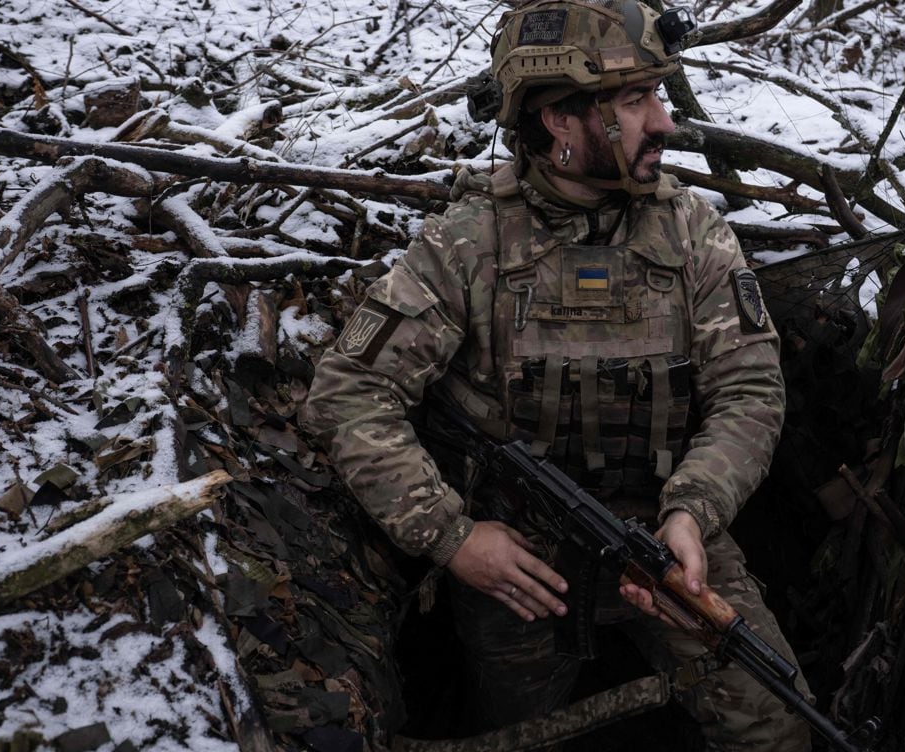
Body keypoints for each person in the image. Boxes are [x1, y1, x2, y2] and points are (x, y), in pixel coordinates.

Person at [301, 0, 812, 748]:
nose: (664, 123)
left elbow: (751, 391)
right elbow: (350, 393)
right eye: (634, 101)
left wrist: (693, 512)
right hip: (518, 563)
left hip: (668, 544)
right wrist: (452, 537)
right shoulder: (469, 243)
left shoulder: (692, 232)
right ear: (560, 120)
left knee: (778, 725)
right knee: (518, 734)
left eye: (656, 96)